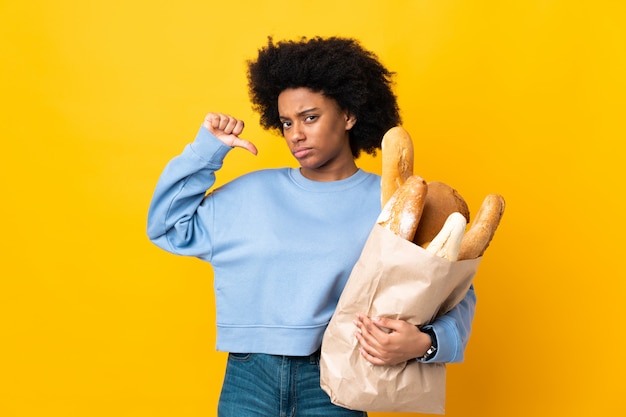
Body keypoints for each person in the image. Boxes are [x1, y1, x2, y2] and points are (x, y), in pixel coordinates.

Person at [147, 36, 476, 417]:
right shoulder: (252, 193)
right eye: (286, 122)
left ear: (349, 115)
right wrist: (206, 151)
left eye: (310, 117)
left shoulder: (392, 202)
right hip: (249, 378)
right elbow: (168, 226)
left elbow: (452, 291)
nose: (295, 134)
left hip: (338, 379)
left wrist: (426, 344)